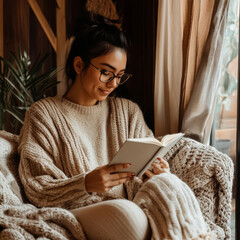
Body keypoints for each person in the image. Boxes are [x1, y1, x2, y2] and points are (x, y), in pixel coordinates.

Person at [18, 12, 214, 240]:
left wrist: (156, 173)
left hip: (130, 205)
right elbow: (36, 188)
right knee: (129, 215)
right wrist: (84, 183)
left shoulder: (127, 111)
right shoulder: (43, 114)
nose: (113, 83)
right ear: (79, 65)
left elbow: (143, 172)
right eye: (105, 72)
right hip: (79, 209)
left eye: (120, 75)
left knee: (167, 187)